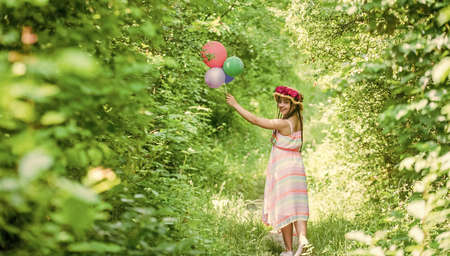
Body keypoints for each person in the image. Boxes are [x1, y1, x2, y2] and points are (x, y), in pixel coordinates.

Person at [226, 86, 311, 256]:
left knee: (285, 207)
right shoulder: (298, 118)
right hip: (296, 166)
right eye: (279, 101)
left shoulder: (284, 123)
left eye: (285, 102)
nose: (280, 105)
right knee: (297, 206)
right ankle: (302, 244)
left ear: (293, 104)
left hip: (284, 167)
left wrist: (236, 105)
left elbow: (256, 120)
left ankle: (289, 250)